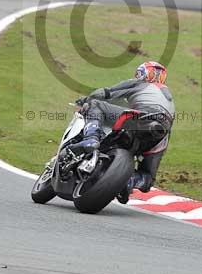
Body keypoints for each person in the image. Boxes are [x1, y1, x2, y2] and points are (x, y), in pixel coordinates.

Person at [73, 61, 175, 203]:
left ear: (141, 73)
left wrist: (85, 100)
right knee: (148, 178)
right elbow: (167, 132)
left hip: (141, 117)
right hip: (161, 131)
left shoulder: (139, 83)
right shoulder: (169, 98)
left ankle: (91, 137)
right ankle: (130, 182)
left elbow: (105, 93)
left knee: (95, 105)